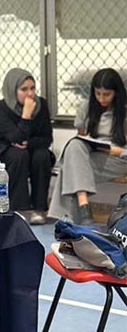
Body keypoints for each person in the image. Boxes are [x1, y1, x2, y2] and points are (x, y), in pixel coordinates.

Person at [48, 68, 127, 225]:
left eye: (106, 94)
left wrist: (115, 151)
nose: (101, 98)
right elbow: (82, 138)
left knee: (69, 167)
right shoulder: (87, 107)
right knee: (74, 145)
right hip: (93, 156)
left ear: (116, 93)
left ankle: (77, 217)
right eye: (97, 93)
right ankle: (84, 207)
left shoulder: (124, 111)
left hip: (118, 160)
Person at [0, 68, 55, 225]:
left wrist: (28, 143)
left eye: (32, 88)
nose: (30, 94)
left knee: (42, 156)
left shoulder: (41, 105)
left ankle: (39, 209)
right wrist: (26, 115)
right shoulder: (1, 108)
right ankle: (20, 210)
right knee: (19, 155)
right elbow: (15, 138)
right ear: (13, 90)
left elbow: (47, 138)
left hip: (33, 149)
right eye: (24, 89)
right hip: (6, 150)